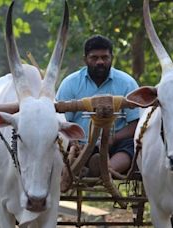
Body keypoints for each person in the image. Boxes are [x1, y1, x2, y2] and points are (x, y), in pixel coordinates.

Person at [56, 35, 140, 192]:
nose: (100, 62)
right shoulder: (70, 83)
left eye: (104, 57)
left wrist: (113, 139)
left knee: (132, 145)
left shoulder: (127, 83)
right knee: (59, 145)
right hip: (79, 144)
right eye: (94, 57)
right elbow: (60, 121)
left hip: (115, 145)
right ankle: (85, 165)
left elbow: (136, 123)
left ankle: (105, 169)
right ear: (85, 59)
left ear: (111, 58)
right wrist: (74, 142)